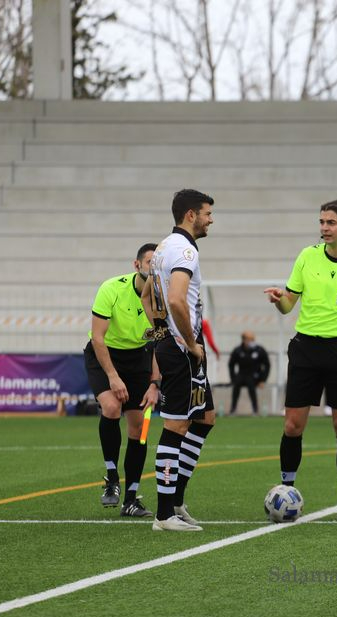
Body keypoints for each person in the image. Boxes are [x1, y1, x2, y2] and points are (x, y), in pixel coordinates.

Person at [263, 200, 337, 521]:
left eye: (331, 222)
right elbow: (289, 306)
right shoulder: (307, 256)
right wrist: (279, 300)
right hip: (306, 350)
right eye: (322, 222)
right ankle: (287, 492)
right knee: (292, 425)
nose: (324, 228)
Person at [141, 188, 218, 532]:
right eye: (207, 213)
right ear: (191, 215)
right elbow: (175, 300)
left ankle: (176, 501)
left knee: (205, 418)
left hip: (175, 345)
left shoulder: (161, 249)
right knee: (176, 425)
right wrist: (188, 341)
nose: (210, 220)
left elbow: (146, 294)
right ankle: (163, 515)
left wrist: (158, 328)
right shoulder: (184, 250)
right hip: (183, 350)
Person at [84, 243, 161, 518]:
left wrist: (155, 383)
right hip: (105, 356)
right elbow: (98, 338)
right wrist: (113, 377)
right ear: (137, 265)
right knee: (112, 407)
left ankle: (131, 498)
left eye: (158, 262)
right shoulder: (111, 288)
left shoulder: (161, 299)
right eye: (150, 261)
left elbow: (157, 345)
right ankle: (112, 477)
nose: (154, 266)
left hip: (139, 358)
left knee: (140, 426)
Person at [228, 331, 271, 415]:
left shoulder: (259, 350)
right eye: (250, 339)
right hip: (241, 373)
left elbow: (267, 365)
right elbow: (231, 364)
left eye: (253, 339)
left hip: (254, 375)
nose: (252, 341)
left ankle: (255, 410)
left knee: (251, 386)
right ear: (244, 340)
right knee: (236, 385)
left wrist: (263, 380)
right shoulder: (237, 350)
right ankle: (233, 409)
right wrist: (233, 378)